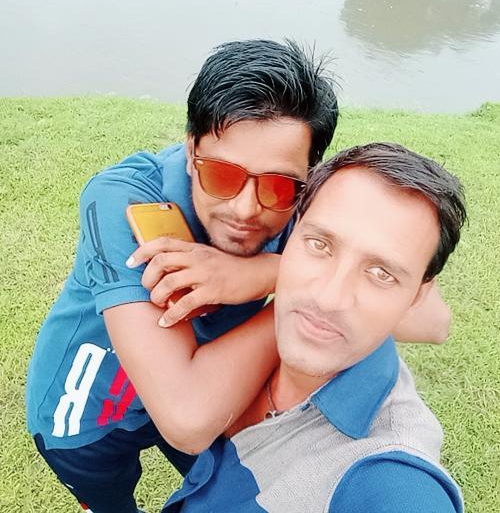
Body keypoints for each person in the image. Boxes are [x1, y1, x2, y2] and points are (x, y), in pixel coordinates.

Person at [26, 40, 451, 513]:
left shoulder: (305, 208)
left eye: (278, 184)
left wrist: (261, 275)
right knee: (109, 502)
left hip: (212, 383)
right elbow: (186, 417)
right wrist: (292, 285)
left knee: (220, 478)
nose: (247, 209)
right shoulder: (124, 198)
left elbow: (433, 321)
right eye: (222, 176)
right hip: (88, 413)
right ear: (192, 150)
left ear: (308, 176)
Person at [157, 142, 467, 512]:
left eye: (381, 273)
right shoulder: (255, 337)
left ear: (417, 295)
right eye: (319, 244)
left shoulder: (391, 481)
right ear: (293, 234)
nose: (329, 298)